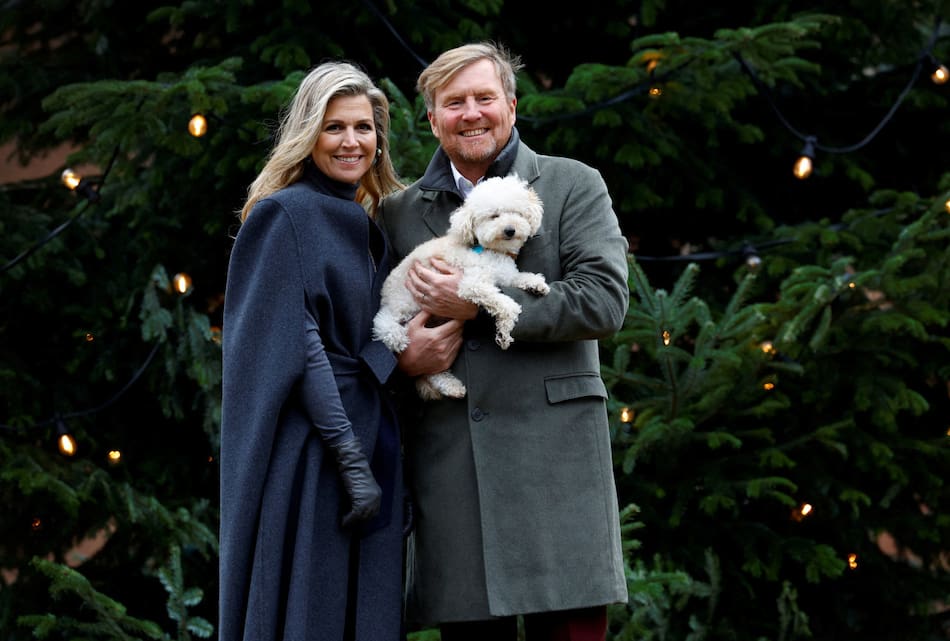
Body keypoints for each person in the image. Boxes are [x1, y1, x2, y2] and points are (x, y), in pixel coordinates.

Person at [378, 42, 630, 641]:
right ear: (433, 118)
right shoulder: (398, 213)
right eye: (454, 102)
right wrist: (406, 362)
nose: (471, 113)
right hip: (454, 471)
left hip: (556, 466)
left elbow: (604, 300)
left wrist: (479, 307)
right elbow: (371, 329)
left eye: (484, 98)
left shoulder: (572, 184)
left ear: (511, 107)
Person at [219, 61, 406, 641]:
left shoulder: (364, 218)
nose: (351, 141)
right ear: (308, 134)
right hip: (315, 457)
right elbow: (300, 348)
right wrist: (351, 463)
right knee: (311, 614)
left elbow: (367, 344)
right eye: (334, 128)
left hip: (366, 439)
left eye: (363, 127)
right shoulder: (286, 214)